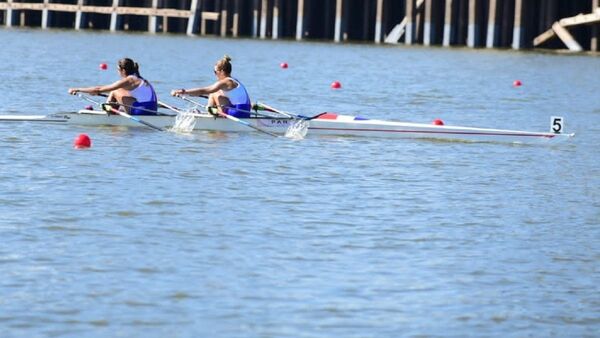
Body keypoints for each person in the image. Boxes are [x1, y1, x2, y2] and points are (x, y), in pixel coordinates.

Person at [68, 58, 158, 115]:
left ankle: (107, 112)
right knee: (119, 91)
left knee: (115, 91)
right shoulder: (139, 78)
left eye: (118, 70)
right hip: (153, 109)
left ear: (123, 70)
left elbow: (99, 89)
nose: (117, 72)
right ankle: (118, 110)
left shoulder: (129, 80)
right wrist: (96, 92)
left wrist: (78, 89)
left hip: (142, 111)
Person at [170, 55, 252, 118]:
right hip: (246, 112)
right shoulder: (234, 80)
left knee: (213, 94)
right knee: (215, 93)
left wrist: (183, 92)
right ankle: (213, 113)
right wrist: (190, 94)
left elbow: (204, 90)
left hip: (238, 113)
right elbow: (205, 93)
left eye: (215, 71)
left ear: (222, 71)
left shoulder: (225, 82)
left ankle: (210, 117)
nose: (215, 74)